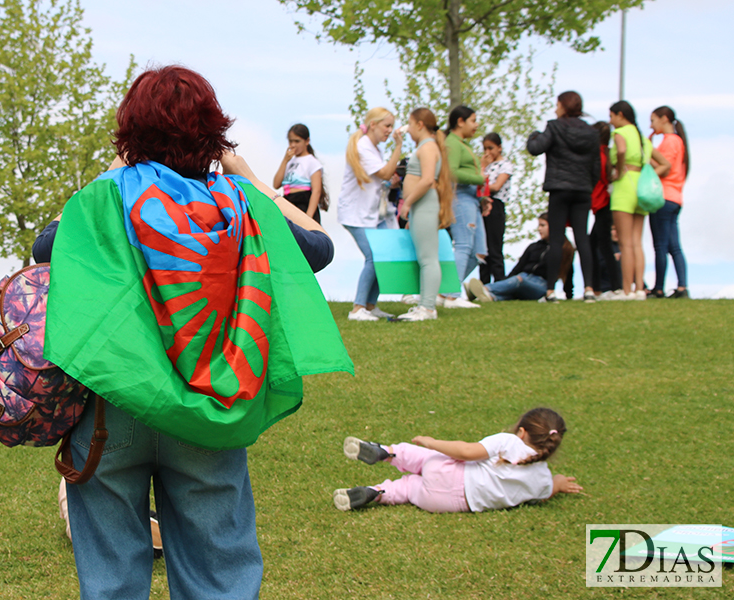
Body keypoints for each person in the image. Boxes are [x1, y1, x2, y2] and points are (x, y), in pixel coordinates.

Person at [36, 66, 350, 600]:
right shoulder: (241, 204)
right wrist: (253, 179)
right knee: (219, 579)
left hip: (113, 411)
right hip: (212, 409)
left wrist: (114, 169)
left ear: (129, 132)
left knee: (111, 582)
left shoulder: (107, 198)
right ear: (213, 132)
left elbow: (49, 249)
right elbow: (319, 249)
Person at [333, 407, 582, 513]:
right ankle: (375, 492)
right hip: (448, 502)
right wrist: (557, 484)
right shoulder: (542, 480)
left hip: (452, 472)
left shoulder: (510, 443)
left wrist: (433, 442)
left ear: (522, 432)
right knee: (407, 488)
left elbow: (465, 452)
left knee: (423, 457)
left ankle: (387, 452)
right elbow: (546, 492)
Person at [526, 91, 602, 302]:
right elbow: (597, 166)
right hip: (582, 189)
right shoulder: (591, 132)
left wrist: (533, 135)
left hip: (559, 188)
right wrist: (588, 185)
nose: (555, 109)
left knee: (556, 239)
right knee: (582, 239)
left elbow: (535, 148)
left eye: (557, 104)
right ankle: (588, 288)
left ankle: (550, 290)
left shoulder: (554, 126)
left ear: (563, 106)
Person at [338, 108, 403, 322]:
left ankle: (370, 305)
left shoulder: (374, 149)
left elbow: (380, 179)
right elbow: (384, 172)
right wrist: (398, 147)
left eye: (392, 126)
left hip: (372, 214)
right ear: (373, 125)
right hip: (356, 214)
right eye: (387, 126)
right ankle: (357, 309)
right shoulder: (363, 146)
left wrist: (389, 183)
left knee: (383, 257)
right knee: (374, 257)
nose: (390, 130)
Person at [605, 100, 671, 301]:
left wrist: (619, 171)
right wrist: (647, 175)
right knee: (636, 242)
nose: (610, 121)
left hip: (625, 186)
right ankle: (640, 289)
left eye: (612, 116)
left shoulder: (620, 134)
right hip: (641, 188)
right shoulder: (643, 138)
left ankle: (627, 291)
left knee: (624, 244)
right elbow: (664, 164)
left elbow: (622, 150)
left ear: (620, 115)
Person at [396, 108, 455, 322]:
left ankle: (428, 307)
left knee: (428, 258)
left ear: (420, 125)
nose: (408, 129)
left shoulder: (428, 147)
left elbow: (428, 179)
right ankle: (424, 304)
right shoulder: (425, 146)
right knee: (424, 257)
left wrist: (407, 203)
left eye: (410, 124)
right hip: (421, 207)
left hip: (424, 205)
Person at [466, 213, 574, 302]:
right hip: (523, 277)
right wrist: (506, 282)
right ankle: (490, 297)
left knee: (519, 280)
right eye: (539, 225)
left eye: (542, 225)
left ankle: (484, 289)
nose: (539, 229)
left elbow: (568, 271)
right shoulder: (534, 247)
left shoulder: (563, 249)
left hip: (541, 285)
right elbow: (518, 267)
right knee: (514, 289)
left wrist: (569, 294)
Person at [441, 106, 484, 309]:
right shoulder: (452, 143)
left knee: (479, 251)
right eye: (473, 121)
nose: (476, 125)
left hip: (471, 198)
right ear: (460, 121)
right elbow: (452, 172)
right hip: (459, 197)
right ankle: (451, 295)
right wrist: (480, 179)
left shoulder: (462, 144)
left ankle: (444, 290)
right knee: (464, 244)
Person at [648, 106, 689, 299]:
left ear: (664, 119)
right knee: (674, 246)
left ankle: (658, 288)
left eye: (653, 120)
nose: (651, 125)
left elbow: (665, 167)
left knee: (661, 246)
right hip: (675, 197)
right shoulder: (676, 141)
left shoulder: (670, 141)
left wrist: (647, 155)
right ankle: (682, 286)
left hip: (662, 197)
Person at [589, 122, 621, 299]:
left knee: (602, 245)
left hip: (602, 203)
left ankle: (609, 287)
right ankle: (600, 287)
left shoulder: (599, 155)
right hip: (604, 203)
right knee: (596, 244)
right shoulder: (606, 154)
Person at [272, 123, 327, 223]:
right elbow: (276, 184)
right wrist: (285, 161)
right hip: (288, 202)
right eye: (290, 141)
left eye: (297, 141)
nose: (293, 145)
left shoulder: (312, 162)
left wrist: (308, 217)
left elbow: (316, 191)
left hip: (303, 203)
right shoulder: (289, 162)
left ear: (307, 141)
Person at [479, 132, 512, 284]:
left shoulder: (505, 165)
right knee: (482, 247)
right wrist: (482, 166)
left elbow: (496, 186)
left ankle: (499, 283)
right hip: (481, 206)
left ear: (499, 148)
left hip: (496, 205)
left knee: (495, 247)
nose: (488, 152)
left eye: (491, 148)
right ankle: (484, 283)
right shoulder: (484, 166)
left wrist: (483, 186)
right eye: (485, 148)